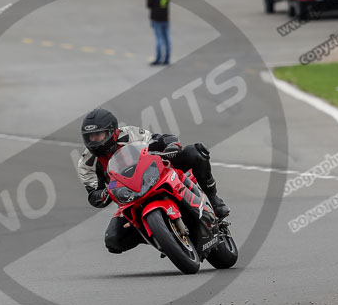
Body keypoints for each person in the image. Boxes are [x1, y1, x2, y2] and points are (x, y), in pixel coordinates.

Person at [78, 108, 230, 255]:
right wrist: (106, 193)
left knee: (196, 152)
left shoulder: (130, 134)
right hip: (129, 197)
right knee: (113, 241)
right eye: (90, 137)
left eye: (99, 135)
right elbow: (93, 194)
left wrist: (171, 146)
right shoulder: (86, 163)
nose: (94, 141)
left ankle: (214, 199)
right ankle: (161, 235)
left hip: (155, 174)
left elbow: (161, 139)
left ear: (113, 131)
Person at [147, 0, 170, 66]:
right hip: (165, 19)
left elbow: (148, 4)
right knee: (167, 39)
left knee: (159, 39)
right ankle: (167, 58)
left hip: (156, 19)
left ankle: (158, 58)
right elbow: (165, 3)